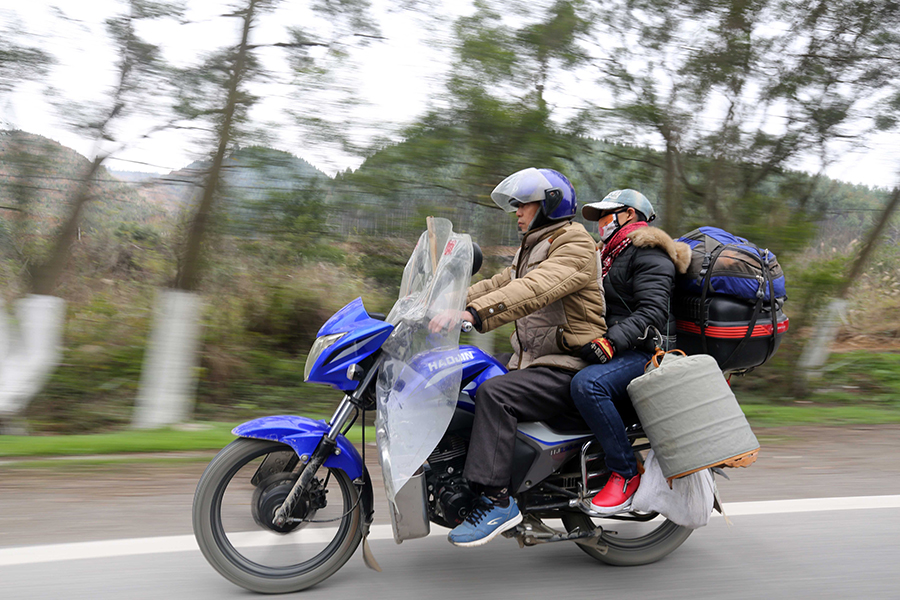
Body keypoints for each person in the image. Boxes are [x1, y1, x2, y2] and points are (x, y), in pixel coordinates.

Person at [428, 167, 606, 547]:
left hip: (567, 363)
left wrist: (474, 315)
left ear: (551, 205)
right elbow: (500, 283)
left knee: (496, 394)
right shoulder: (535, 246)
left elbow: (535, 288)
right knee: (473, 385)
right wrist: (442, 302)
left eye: (525, 204)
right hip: (536, 360)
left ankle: (497, 500)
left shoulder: (574, 244)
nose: (517, 212)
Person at [570, 189, 691, 515]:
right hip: (622, 346)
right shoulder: (611, 254)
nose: (601, 224)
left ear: (629, 215)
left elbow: (651, 311)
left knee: (588, 385)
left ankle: (624, 473)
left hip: (646, 353)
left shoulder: (650, 253)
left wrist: (611, 341)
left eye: (607, 215)